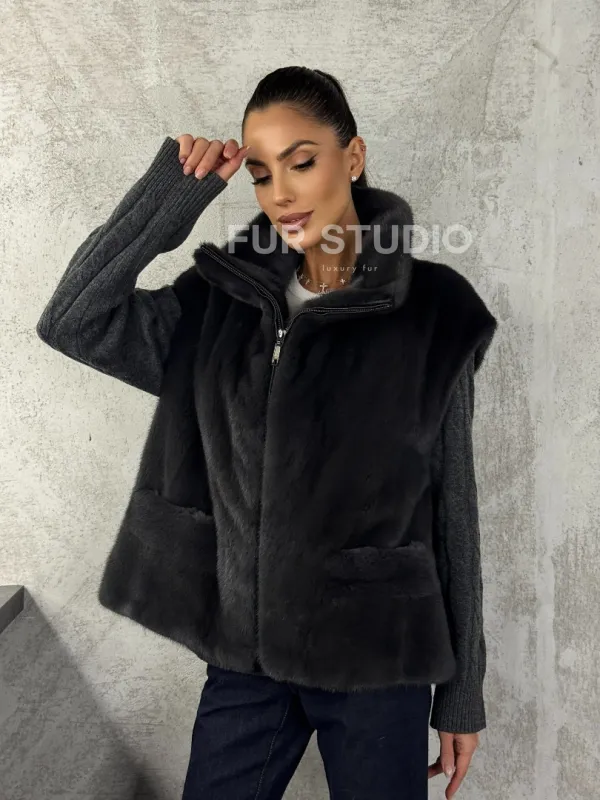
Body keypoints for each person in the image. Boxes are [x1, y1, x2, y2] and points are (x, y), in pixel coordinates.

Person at [36, 66, 497, 800]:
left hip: (379, 663)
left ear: (353, 157)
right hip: (245, 662)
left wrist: (462, 694)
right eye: (259, 173)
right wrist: (169, 197)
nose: (279, 192)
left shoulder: (432, 312)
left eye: (301, 162)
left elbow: (455, 511)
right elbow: (73, 321)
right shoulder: (220, 304)